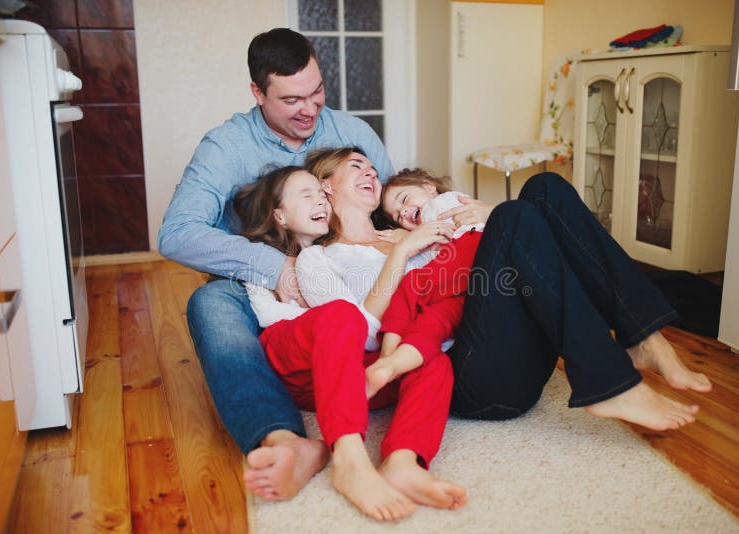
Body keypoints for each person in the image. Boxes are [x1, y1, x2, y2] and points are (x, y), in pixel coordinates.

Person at [301, 149, 711, 435]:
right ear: (326, 186)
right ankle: (611, 383)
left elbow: (483, 260)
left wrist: (487, 215)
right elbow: (356, 335)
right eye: (358, 167)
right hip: (470, 381)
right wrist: (405, 251)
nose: (371, 171)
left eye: (372, 166)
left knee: (545, 188)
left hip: (508, 344)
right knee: (514, 215)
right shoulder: (319, 259)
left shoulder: (408, 228)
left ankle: (645, 337)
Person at [157, 28, 395, 501]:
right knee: (210, 302)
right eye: (291, 99)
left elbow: (387, 201)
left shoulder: (353, 133)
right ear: (257, 93)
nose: (310, 109)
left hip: (349, 266)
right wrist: (274, 266)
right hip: (264, 279)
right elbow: (176, 233)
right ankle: (284, 438)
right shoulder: (226, 147)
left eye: (317, 92)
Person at [231, 163, 466, 520]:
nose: (320, 202)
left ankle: (403, 461)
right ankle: (349, 459)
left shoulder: (397, 238)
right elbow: (351, 327)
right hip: (303, 362)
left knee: (430, 361)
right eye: (307, 193)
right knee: (342, 315)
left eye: (371, 168)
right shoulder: (306, 258)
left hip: (354, 371)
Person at [365, 169, 484, 399]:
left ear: (429, 187)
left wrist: (405, 235)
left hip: (474, 251)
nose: (405, 212)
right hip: (464, 290)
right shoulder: (428, 232)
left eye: (405, 200)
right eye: (399, 216)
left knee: (411, 285)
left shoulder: (446, 202)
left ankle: (387, 354)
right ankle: (391, 366)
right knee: (433, 321)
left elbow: (436, 222)